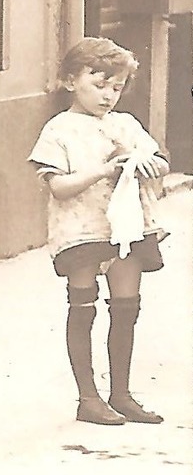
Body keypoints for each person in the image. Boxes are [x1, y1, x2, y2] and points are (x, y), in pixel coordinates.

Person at [28, 36, 170, 426]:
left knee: (126, 307)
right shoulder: (59, 130)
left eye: (116, 87)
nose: (108, 95)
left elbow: (159, 161)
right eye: (99, 84)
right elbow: (58, 186)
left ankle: (121, 393)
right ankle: (88, 398)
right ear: (71, 81)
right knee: (83, 307)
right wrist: (105, 170)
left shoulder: (125, 125)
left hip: (125, 227)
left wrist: (146, 163)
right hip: (81, 229)